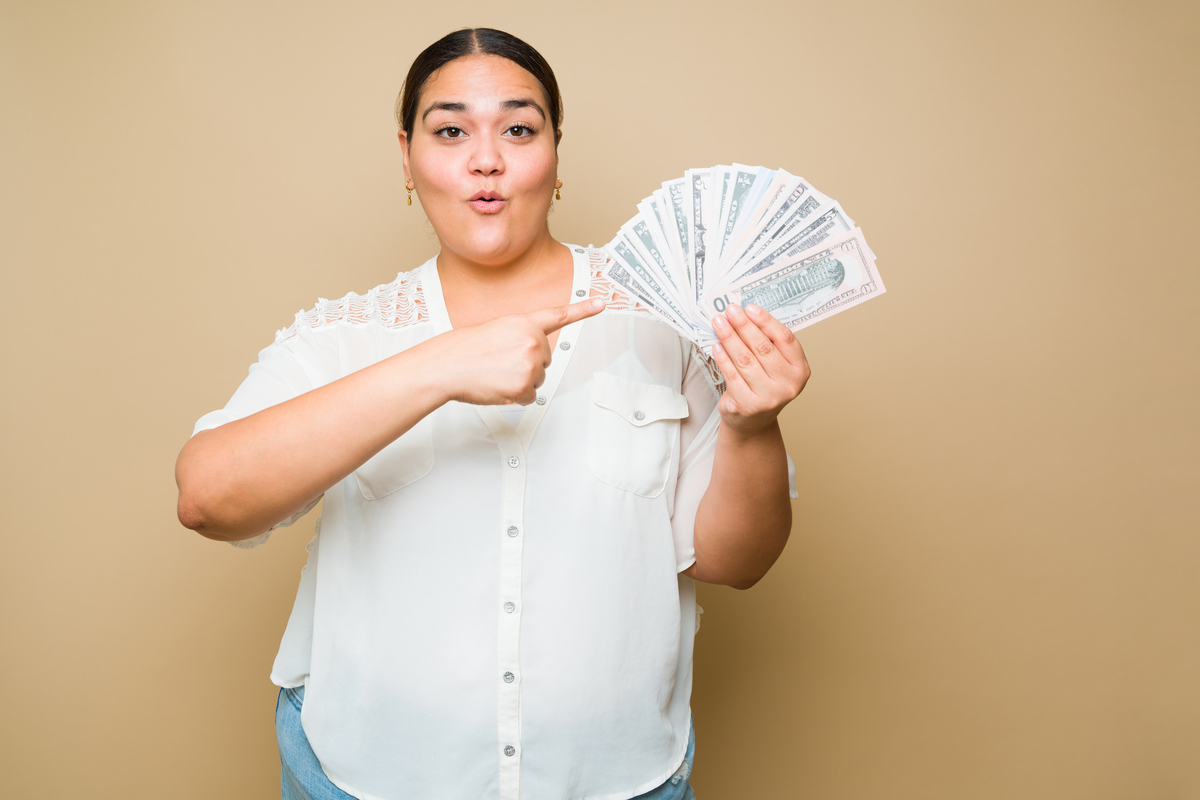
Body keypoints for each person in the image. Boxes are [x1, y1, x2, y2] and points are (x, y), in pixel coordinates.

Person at [175, 27, 809, 800]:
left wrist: (752, 426)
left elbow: (734, 564)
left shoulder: (661, 315)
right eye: (450, 131)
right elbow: (208, 500)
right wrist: (441, 364)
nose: (487, 159)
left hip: (616, 779)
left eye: (518, 128)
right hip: (362, 778)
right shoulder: (343, 334)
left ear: (555, 153)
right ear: (406, 157)